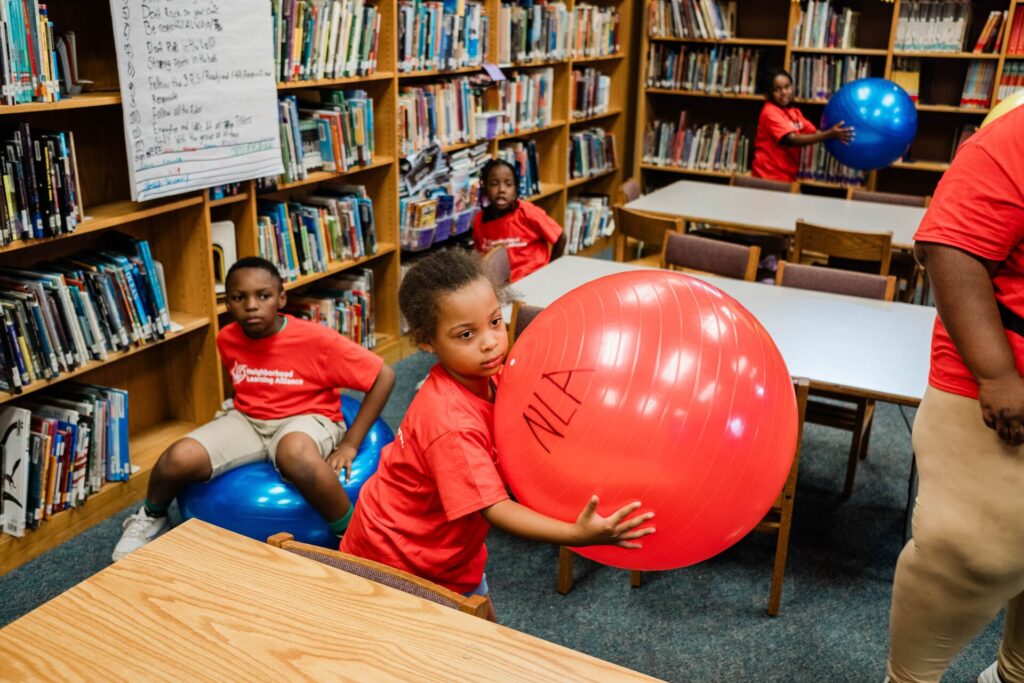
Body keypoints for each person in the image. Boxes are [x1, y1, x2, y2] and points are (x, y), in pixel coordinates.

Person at [340, 248, 654, 620]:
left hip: (449, 547)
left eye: (494, 322)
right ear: (427, 342)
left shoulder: (491, 375)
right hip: (398, 556)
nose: (490, 341)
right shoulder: (450, 422)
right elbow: (495, 507)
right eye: (466, 334)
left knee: (488, 637)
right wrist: (575, 535)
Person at [112, 257, 395, 561]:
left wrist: (350, 443)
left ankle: (352, 537)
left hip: (307, 416)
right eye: (239, 297)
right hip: (248, 420)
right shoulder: (227, 339)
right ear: (228, 303)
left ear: (281, 298)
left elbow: (384, 375)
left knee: (295, 454)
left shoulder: (316, 340)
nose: (251, 305)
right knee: (176, 458)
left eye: (263, 295)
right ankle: (151, 516)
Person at [886, 105, 1024, 683]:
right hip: (1003, 392)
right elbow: (949, 244)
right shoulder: (1014, 137)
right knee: (968, 556)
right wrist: (996, 374)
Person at [472, 158, 566, 282]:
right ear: (485, 189)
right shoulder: (479, 220)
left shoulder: (527, 212)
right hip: (505, 286)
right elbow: (482, 258)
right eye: (494, 184)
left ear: (515, 189)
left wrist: (551, 270)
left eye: (508, 184)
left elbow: (560, 237)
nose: (502, 190)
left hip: (536, 278)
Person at [751, 68, 854, 182]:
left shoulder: (794, 112)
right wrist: (830, 134)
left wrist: (841, 134)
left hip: (787, 176)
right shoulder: (770, 112)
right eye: (777, 89)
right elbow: (792, 140)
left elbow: (814, 133)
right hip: (767, 177)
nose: (784, 92)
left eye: (787, 87)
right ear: (768, 94)